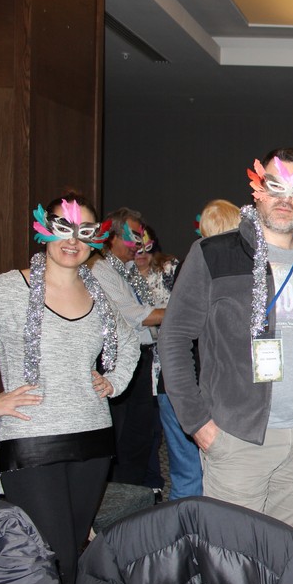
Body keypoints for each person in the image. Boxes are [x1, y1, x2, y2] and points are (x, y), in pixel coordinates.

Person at [158, 148, 293, 540]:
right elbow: (173, 338)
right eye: (275, 185)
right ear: (257, 188)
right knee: (233, 555)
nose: (285, 198)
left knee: (290, 551)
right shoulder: (213, 254)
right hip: (238, 436)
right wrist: (197, 422)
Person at [0, 195, 138, 584]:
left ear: (95, 239)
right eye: (63, 227)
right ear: (43, 230)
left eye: (84, 231)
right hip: (31, 441)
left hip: (92, 438)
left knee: (71, 553)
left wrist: (114, 380)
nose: (73, 240)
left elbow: (129, 341)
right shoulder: (8, 289)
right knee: (51, 558)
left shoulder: (97, 294)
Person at [90, 207, 165, 495]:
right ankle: (118, 502)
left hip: (141, 358)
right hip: (115, 360)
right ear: (111, 236)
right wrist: (183, 312)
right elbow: (136, 316)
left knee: (141, 435)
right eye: (132, 236)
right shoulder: (100, 269)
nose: (138, 243)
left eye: (140, 237)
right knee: (120, 438)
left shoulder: (128, 270)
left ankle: (133, 498)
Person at [135, 227, 203, 501]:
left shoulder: (171, 268)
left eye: (145, 247)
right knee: (181, 460)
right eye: (134, 247)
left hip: (180, 369)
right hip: (163, 369)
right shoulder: (118, 273)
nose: (140, 253)